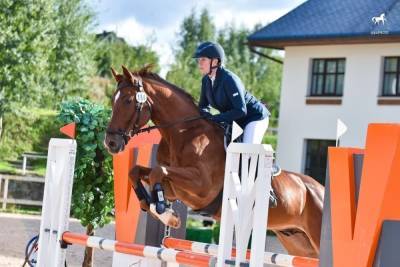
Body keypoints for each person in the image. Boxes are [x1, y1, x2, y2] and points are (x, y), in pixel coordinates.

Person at [194, 41, 270, 144]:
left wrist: (215, 118)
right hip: (234, 120)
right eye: (199, 60)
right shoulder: (206, 80)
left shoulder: (229, 79)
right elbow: (203, 106)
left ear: (215, 61)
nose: (199, 63)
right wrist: (206, 116)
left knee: (246, 150)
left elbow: (241, 110)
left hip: (254, 117)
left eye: (203, 59)